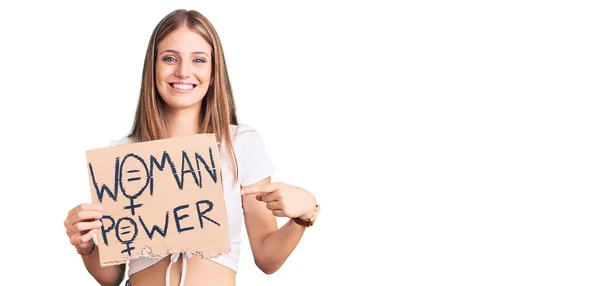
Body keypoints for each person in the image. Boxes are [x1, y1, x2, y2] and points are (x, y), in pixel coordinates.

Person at [63, 9, 320, 286]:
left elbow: (268, 260)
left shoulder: (240, 144)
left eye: (198, 60)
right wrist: (86, 245)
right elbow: (112, 277)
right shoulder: (125, 154)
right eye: (170, 58)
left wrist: (304, 215)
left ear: (213, 70)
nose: (183, 71)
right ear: (153, 66)